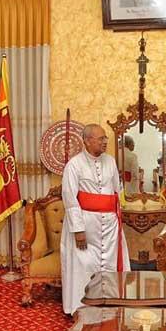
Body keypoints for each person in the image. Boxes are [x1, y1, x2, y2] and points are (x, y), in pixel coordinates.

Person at [60, 123, 130, 315]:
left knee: (109, 264)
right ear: (87, 141)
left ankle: (110, 303)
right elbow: (69, 198)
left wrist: (120, 211)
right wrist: (78, 230)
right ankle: (81, 307)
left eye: (105, 138)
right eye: (100, 139)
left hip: (109, 226)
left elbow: (117, 190)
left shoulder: (111, 161)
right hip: (85, 223)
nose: (105, 142)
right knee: (84, 266)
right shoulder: (74, 165)